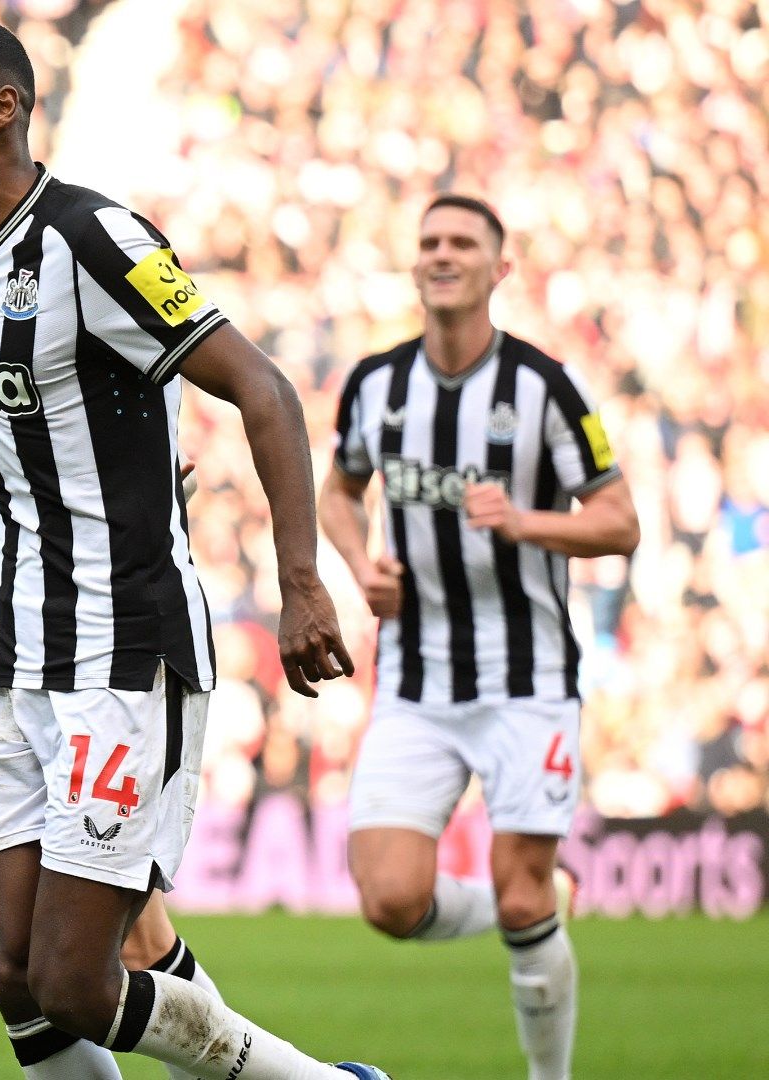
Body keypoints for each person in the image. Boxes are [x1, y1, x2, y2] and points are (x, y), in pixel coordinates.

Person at [0, 17, 391, 1080]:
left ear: (2, 108)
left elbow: (264, 388)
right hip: (11, 664)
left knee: (74, 983)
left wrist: (301, 582)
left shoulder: (95, 239)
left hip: (122, 654)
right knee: (12, 975)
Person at [320, 193, 640, 1080]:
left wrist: (526, 521)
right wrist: (361, 563)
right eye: (429, 241)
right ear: (414, 264)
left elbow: (620, 522)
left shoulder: (544, 386)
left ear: (500, 268)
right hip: (415, 679)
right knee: (389, 898)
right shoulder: (378, 384)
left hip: (526, 679)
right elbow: (339, 492)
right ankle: (530, 903)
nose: (442, 253)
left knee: (523, 891)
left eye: (463, 242)